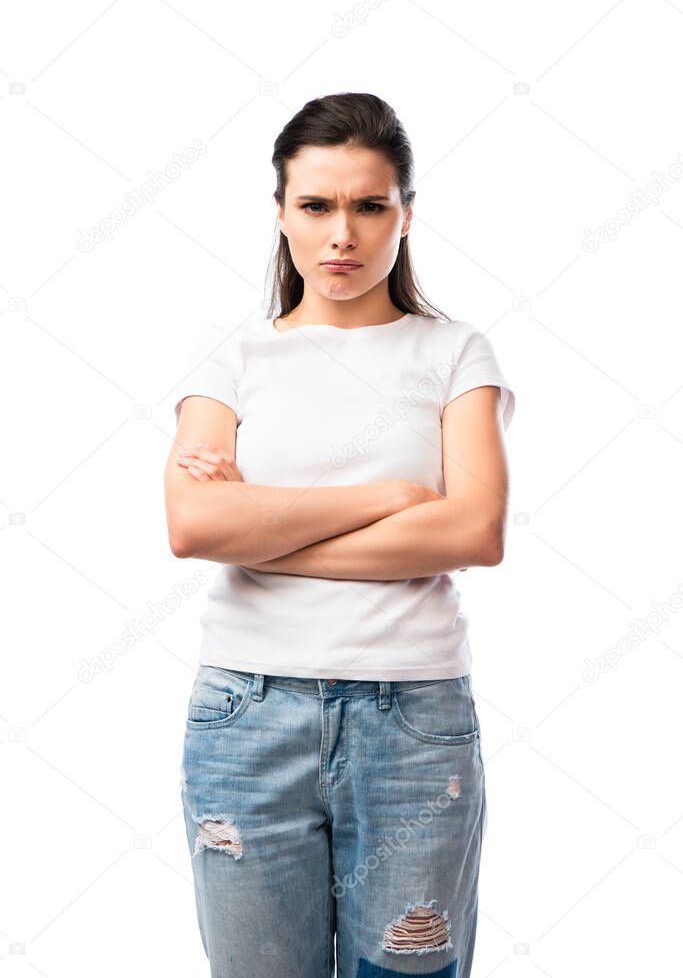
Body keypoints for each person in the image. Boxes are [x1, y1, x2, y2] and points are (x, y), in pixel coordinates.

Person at [165, 91, 515, 978]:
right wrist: (391, 497)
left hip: (413, 717)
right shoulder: (231, 357)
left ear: (405, 211)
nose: (342, 236)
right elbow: (194, 523)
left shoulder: (453, 352)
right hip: (246, 715)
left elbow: (474, 530)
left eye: (370, 205)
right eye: (316, 206)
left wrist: (266, 529)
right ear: (280, 213)